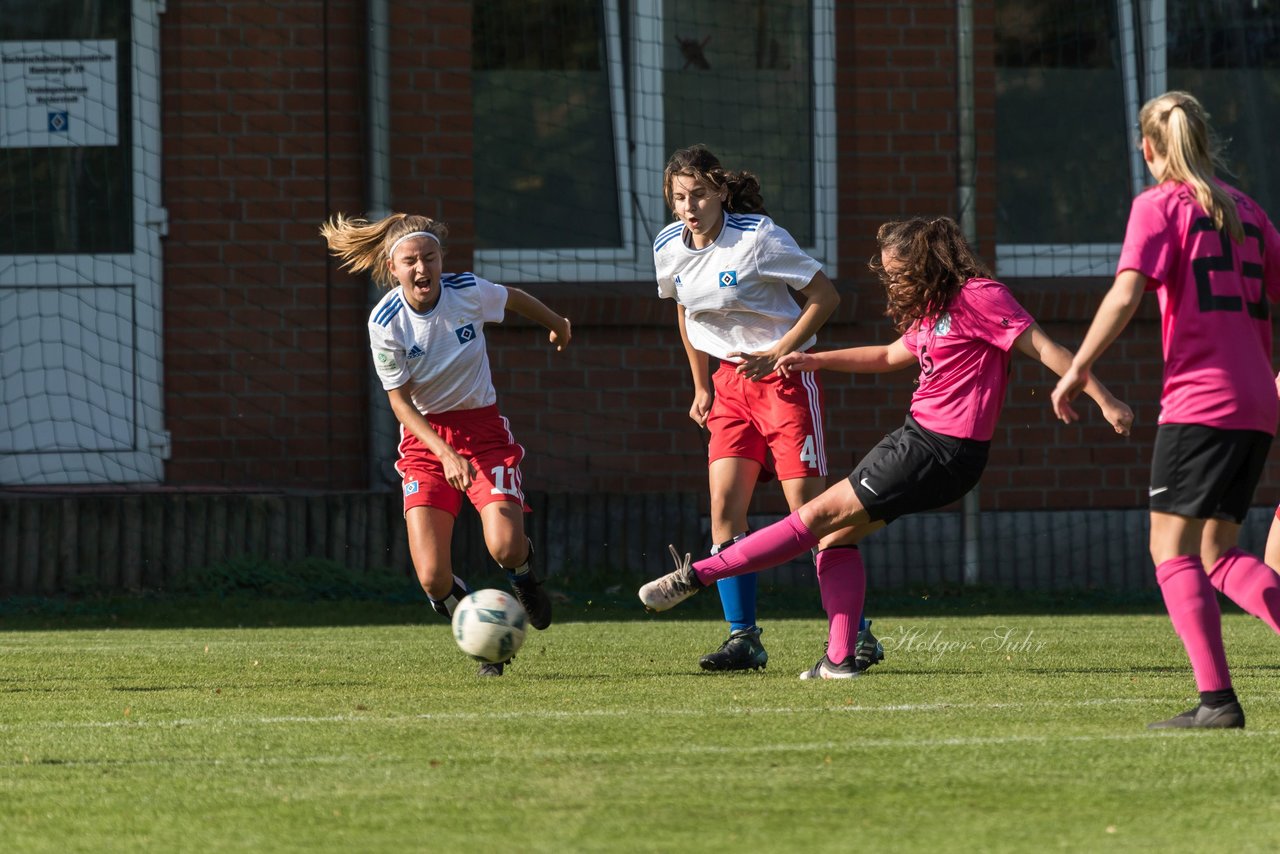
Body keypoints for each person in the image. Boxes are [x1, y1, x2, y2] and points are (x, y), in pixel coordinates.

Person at [641, 215, 1133, 679]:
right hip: (926, 447)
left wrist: (1104, 398)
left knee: (813, 520)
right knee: (836, 537)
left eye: (900, 273)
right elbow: (889, 354)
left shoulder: (982, 296)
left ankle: (698, 576)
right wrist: (815, 361)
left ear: (928, 265)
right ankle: (840, 660)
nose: (894, 284)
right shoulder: (936, 308)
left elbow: (1047, 348)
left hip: (936, 448)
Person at [1052, 91, 1280, 729]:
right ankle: (1217, 702)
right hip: (1258, 401)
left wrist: (1078, 368)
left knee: (1169, 548)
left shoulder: (1158, 206)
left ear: (1148, 150)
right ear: (1205, 141)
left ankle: (1216, 702)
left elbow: (1126, 295)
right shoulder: (1252, 213)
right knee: (1221, 552)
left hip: (1201, 401)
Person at [654, 144, 882, 673]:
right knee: (724, 515)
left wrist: (782, 351)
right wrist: (701, 388)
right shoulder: (669, 246)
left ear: (721, 193)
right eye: (679, 197)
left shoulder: (757, 237)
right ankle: (743, 639)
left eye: (700, 195)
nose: (689, 207)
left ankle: (857, 633)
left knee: (812, 516)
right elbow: (686, 313)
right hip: (728, 386)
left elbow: (826, 296)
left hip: (784, 383)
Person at [320, 212, 571, 677]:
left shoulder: (467, 291)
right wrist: (444, 453)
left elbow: (512, 299)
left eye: (429, 258)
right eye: (410, 261)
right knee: (434, 579)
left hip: (484, 434)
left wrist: (556, 321)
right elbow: (399, 404)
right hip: (426, 444)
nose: (422, 269)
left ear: (441, 260)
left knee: (504, 546)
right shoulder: (385, 322)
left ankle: (523, 577)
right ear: (392, 269)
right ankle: (489, 644)